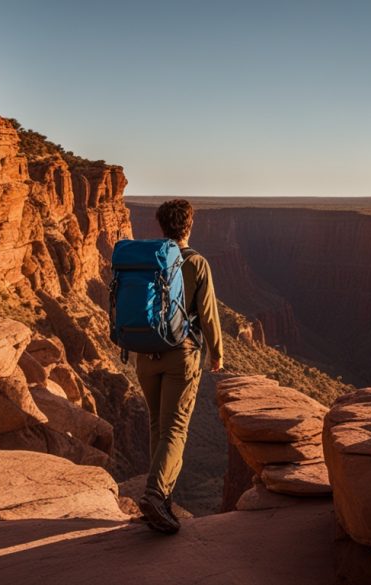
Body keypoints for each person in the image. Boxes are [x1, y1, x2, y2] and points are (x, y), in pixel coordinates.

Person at [136, 199, 223, 534]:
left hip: (146, 356)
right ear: (189, 225)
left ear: (162, 225)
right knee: (175, 429)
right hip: (179, 355)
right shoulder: (196, 262)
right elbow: (209, 315)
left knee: (158, 427)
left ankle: (161, 502)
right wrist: (217, 353)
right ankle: (156, 496)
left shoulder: (148, 259)